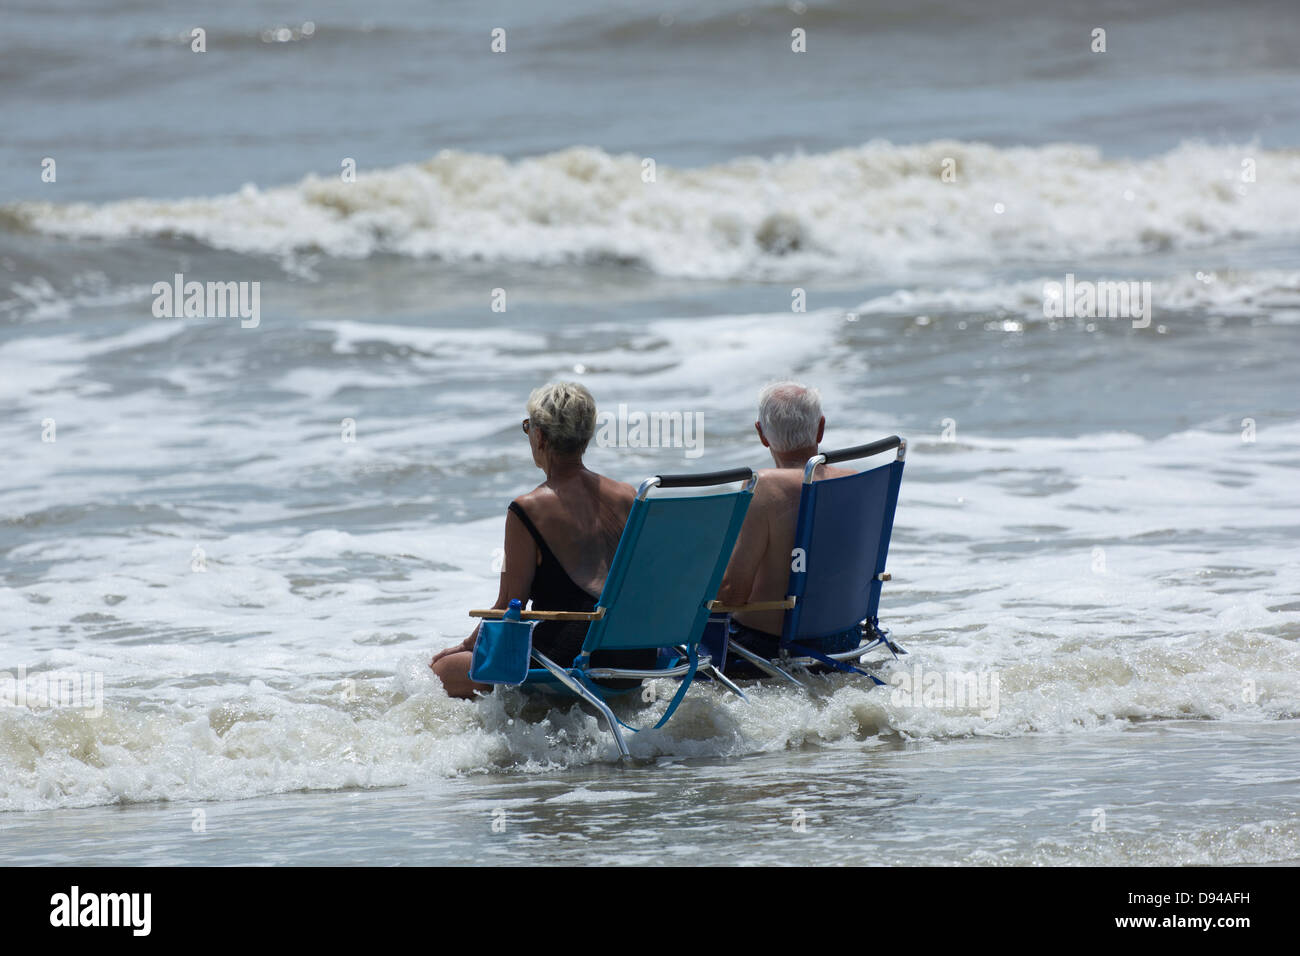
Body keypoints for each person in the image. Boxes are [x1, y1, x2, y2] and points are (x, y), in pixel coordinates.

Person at [430, 382, 653, 699]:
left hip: (577, 658)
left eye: (528, 427)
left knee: (440, 674)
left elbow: (508, 610)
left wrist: (466, 646)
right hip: (638, 655)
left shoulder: (528, 509)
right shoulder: (628, 494)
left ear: (540, 436)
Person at [713, 381, 861, 677]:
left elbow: (733, 593)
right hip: (844, 641)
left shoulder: (764, 488)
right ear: (820, 428)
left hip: (768, 649)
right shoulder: (855, 481)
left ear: (761, 434)